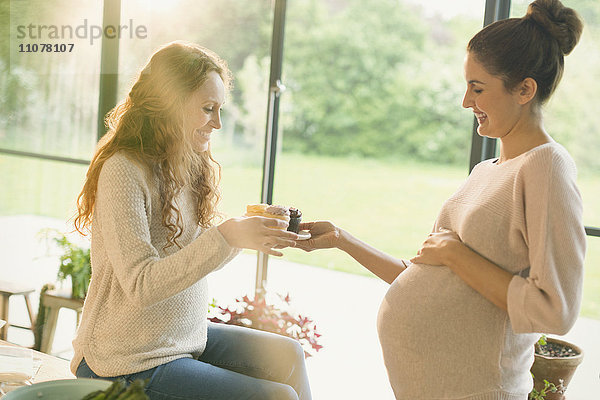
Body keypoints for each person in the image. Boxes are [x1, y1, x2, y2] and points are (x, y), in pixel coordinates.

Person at [294, 1, 586, 399]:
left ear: (525, 89)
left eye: (477, 88)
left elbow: (555, 310)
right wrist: (342, 240)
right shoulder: (486, 171)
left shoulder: (546, 166)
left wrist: (456, 256)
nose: (466, 102)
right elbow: (423, 274)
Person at [72, 41, 311, 400]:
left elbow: (196, 252)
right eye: (207, 109)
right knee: (277, 397)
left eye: (218, 110)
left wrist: (245, 233)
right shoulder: (123, 170)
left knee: (288, 355)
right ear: (169, 103)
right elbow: (140, 285)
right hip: (123, 359)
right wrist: (228, 237)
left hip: (180, 338)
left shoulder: (184, 163)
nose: (216, 123)